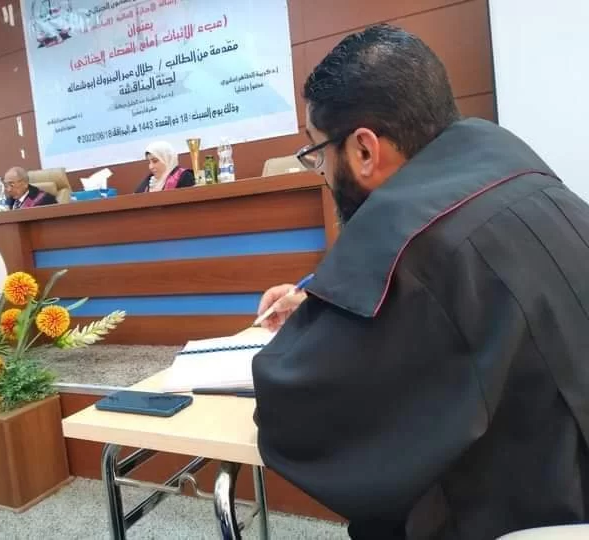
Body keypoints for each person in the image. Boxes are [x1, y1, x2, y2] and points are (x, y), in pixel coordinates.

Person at [252, 24, 589, 540]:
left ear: (364, 150)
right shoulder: (530, 180)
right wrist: (324, 307)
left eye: (317, 153)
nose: (320, 170)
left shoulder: (417, 248)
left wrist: (311, 334)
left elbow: (298, 409)